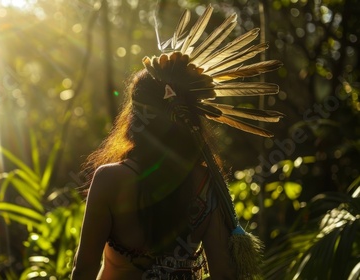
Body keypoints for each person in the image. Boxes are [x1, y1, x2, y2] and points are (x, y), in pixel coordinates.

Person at [71, 5, 282, 279]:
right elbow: (224, 274)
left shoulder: (110, 180)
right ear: (191, 116)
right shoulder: (207, 185)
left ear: (135, 118)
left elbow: (84, 269)